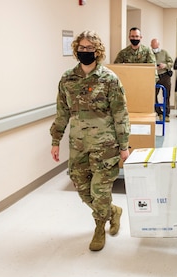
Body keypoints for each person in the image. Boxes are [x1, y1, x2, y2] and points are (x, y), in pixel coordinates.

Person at [50, 30, 130, 252]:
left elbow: (121, 114)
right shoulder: (67, 79)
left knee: (100, 190)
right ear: (76, 49)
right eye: (82, 48)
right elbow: (62, 112)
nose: (85, 51)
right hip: (78, 146)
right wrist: (55, 140)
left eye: (90, 48)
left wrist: (124, 146)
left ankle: (99, 226)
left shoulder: (109, 79)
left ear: (98, 51)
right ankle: (112, 211)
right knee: (82, 187)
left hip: (106, 146)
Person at [151, 38, 173, 122]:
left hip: (164, 76)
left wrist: (165, 65)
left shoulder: (164, 53)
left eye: (155, 45)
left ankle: (166, 114)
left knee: (166, 95)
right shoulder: (149, 53)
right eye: (152, 45)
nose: (153, 46)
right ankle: (159, 112)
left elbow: (171, 63)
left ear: (158, 44)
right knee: (153, 95)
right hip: (154, 76)